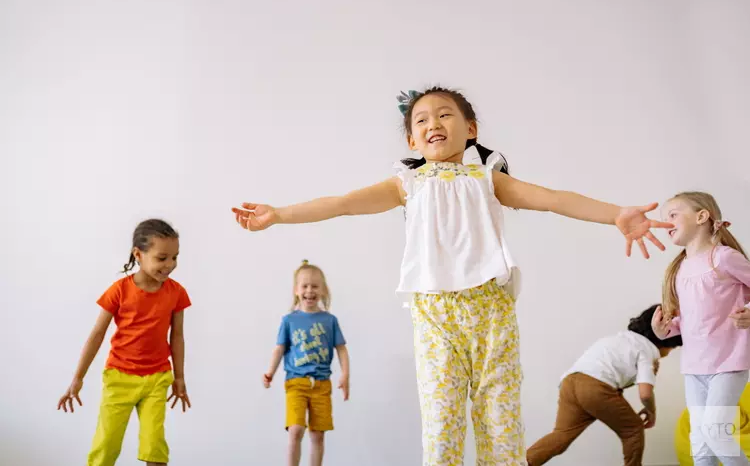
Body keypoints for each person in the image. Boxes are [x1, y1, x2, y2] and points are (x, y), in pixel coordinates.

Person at [233, 86, 673, 466]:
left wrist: (615, 214)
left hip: (491, 314)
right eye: (421, 119)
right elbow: (343, 203)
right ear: (412, 138)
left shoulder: (488, 178)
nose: (433, 123)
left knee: (500, 428)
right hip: (436, 316)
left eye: (445, 114)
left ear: (471, 128)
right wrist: (280, 215)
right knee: (441, 426)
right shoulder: (407, 184)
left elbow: (553, 199)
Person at [57, 219, 192, 466]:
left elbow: (178, 335)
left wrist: (180, 377)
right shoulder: (119, 290)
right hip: (119, 377)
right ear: (138, 255)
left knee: (155, 447)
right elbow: (97, 334)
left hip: (157, 378)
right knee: (106, 445)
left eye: (175, 257)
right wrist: (78, 378)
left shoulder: (177, 292)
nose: (170, 265)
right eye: (162, 258)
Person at [652, 191, 750, 466]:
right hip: (694, 367)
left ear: (702, 216)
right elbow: (688, 321)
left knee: (717, 433)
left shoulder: (724, 258)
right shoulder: (680, 269)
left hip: (728, 363)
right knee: (700, 444)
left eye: (672, 215)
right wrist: (663, 331)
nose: (665, 223)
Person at [526, 304, 683, 466]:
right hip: (595, 387)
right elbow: (645, 393)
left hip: (570, 382)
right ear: (667, 340)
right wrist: (651, 411)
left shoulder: (621, 338)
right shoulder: (647, 351)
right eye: (673, 347)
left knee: (561, 435)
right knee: (633, 429)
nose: (669, 353)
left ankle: (516, 463)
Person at [263, 260, 349, 466]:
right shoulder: (289, 320)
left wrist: (345, 375)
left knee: (318, 434)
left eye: (315, 286)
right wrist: (270, 372)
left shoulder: (330, 320)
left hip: (321, 385)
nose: (310, 291)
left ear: (323, 290)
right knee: (296, 429)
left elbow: (341, 349)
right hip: (296, 383)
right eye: (305, 286)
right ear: (296, 290)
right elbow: (279, 348)